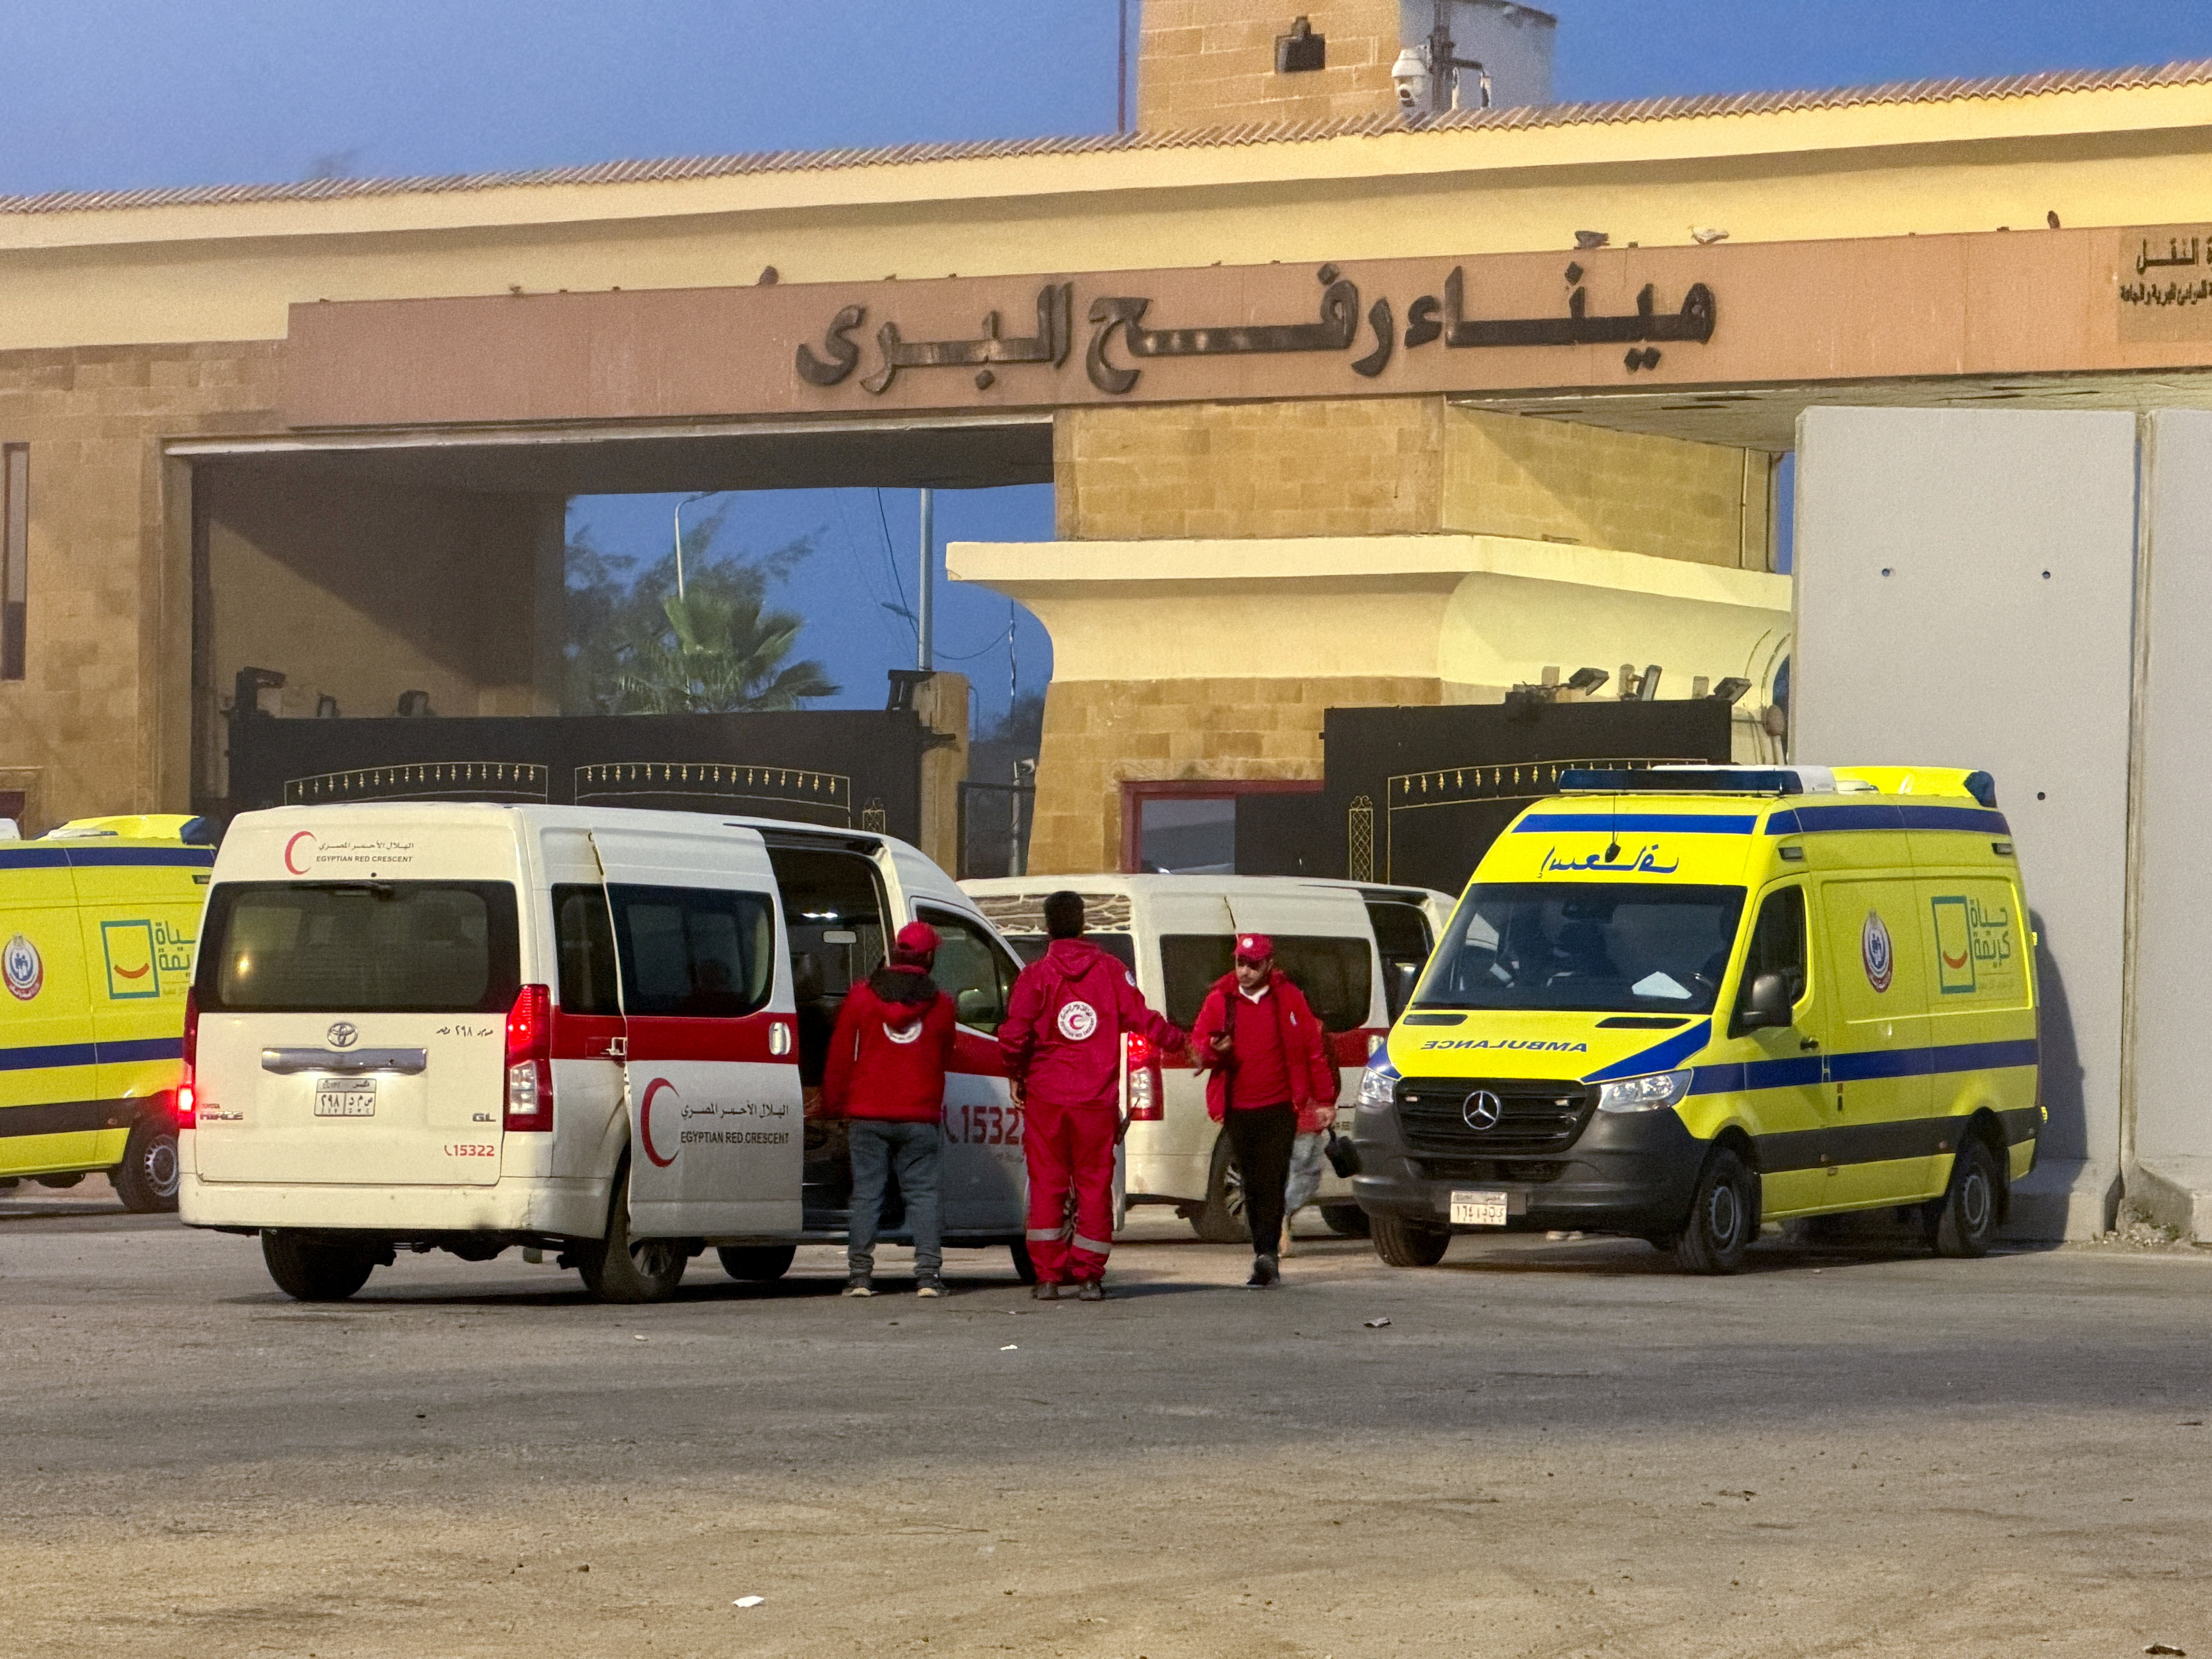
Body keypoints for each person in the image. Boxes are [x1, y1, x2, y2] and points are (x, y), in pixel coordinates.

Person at [999, 891, 1183, 1301]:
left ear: (1047, 927)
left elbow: (1014, 1037)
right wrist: (1182, 1043)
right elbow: (1143, 1019)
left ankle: (1047, 1278)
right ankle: (1089, 1277)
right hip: (1095, 1102)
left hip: (1047, 1099)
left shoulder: (1035, 977)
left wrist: (1018, 1073)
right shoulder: (1112, 972)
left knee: (1047, 1185)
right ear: (1084, 923)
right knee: (1094, 1187)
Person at [1188, 933, 1339, 1288]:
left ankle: (1266, 1255)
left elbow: (1313, 1051)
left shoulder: (1289, 998)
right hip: (1238, 1108)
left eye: (1252, 964)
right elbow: (1198, 1051)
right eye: (1240, 962)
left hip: (1280, 1107)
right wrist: (1216, 1051)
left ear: (1269, 965)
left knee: (1272, 1181)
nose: (1244, 971)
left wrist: (1325, 1101)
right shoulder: (1220, 1000)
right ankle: (1263, 1250)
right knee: (1252, 1184)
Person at [822, 920, 960, 1299]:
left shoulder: (862, 996)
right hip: (920, 1115)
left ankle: (860, 1277)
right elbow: (946, 1054)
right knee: (924, 1194)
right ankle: (929, 1276)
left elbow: (839, 1056)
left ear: (896, 953)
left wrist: (833, 1104)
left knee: (867, 1194)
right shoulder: (943, 1004)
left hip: (868, 1113)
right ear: (929, 958)